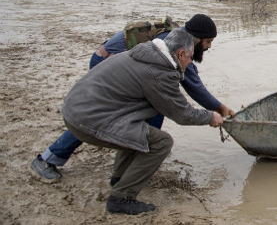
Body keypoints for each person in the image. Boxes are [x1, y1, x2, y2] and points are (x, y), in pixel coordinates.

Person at [31, 14, 235, 183]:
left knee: (150, 111)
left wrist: (217, 108)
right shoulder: (175, 47)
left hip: (112, 60)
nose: (208, 47)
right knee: (96, 116)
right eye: (208, 42)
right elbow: (193, 88)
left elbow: (185, 85)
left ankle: (137, 156)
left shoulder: (175, 38)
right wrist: (219, 109)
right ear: (196, 39)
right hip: (107, 62)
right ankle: (48, 159)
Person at [60, 28, 223, 214]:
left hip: (75, 108)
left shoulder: (147, 53)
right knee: (162, 142)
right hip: (85, 120)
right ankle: (121, 197)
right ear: (180, 53)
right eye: (190, 58)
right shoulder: (160, 72)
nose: (190, 63)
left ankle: (119, 179)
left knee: (139, 130)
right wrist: (211, 117)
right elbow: (182, 114)